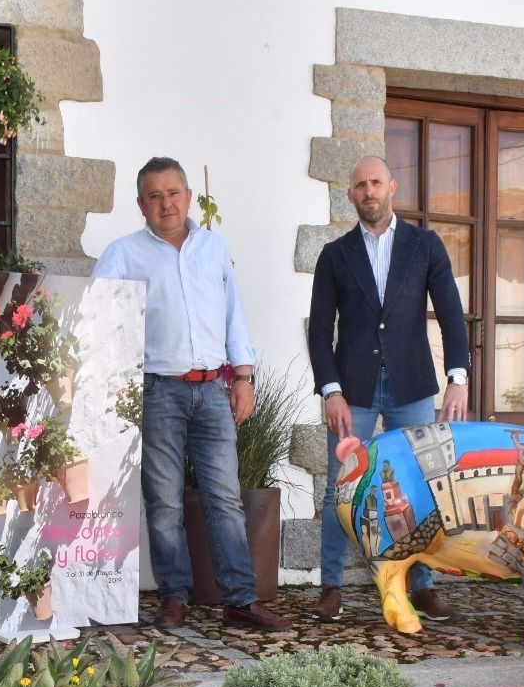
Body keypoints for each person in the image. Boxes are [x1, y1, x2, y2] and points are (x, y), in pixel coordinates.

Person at [94, 157, 290, 632]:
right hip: (158, 389)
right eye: (155, 195)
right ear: (141, 203)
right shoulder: (123, 254)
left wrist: (243, 378)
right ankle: (174, 596)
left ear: (187, 195)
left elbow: (234, 317)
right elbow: (97, 314)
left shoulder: (213, 249)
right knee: (164, 500)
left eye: (174, 192)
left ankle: (241, 600)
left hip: (213, 392)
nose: (167, 203)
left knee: (224, 498)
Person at [307, 155, 470, 623]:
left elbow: (452, 315)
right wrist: (330, 389)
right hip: (351, 389)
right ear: (350, 193)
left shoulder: (425, 245)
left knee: (420, 483)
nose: (368, 191)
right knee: (341, 488)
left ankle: (422, 586)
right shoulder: (334, 255)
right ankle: (331, 586)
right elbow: (320, 330)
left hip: (412, 383)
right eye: (360, 185)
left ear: (392, 187)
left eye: (375, 182)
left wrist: (458, 378)